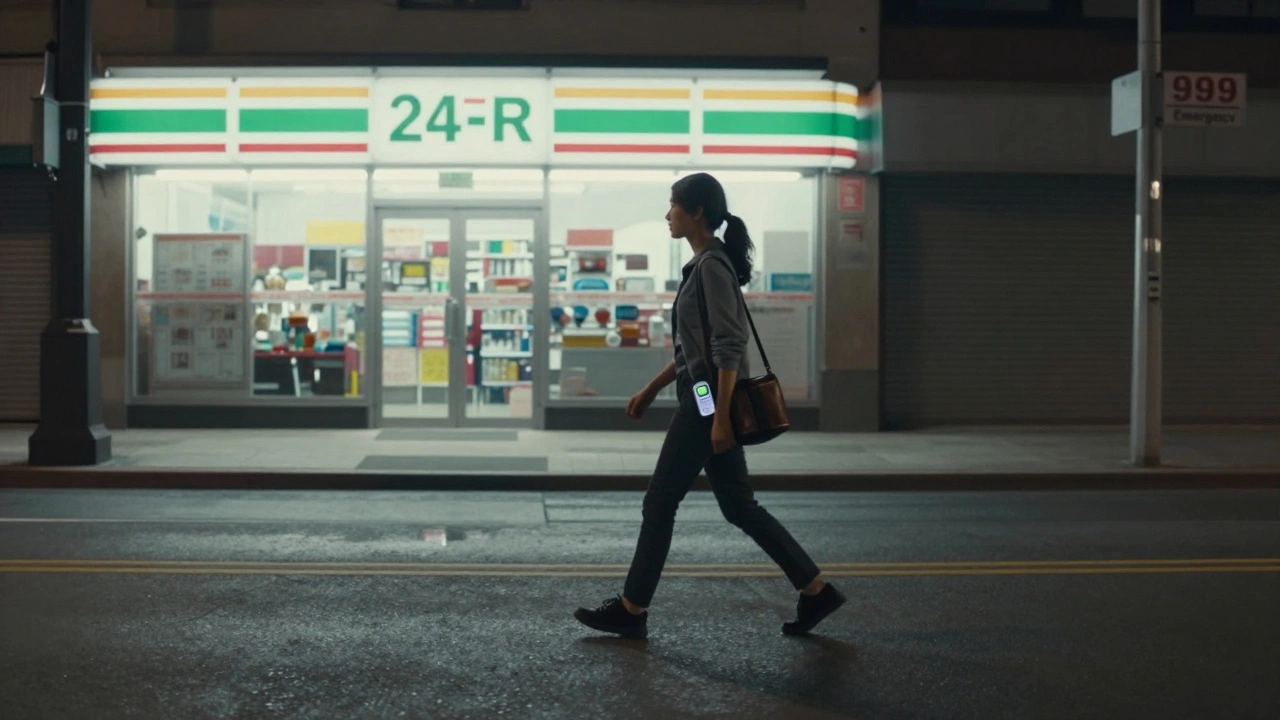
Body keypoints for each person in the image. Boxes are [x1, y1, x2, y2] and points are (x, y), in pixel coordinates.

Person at [573, 173, 845, 640]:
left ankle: (632, 608)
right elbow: (693, 352)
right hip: (699, 394)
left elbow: (727, 345)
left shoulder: (711, 267)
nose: (667, 215)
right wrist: (653, 387)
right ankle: (815, 590)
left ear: (696, 212)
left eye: (673, 206)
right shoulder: (703, 266)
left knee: (660, 501)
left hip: (704, 402)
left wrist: (718, 417)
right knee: (739, 506)